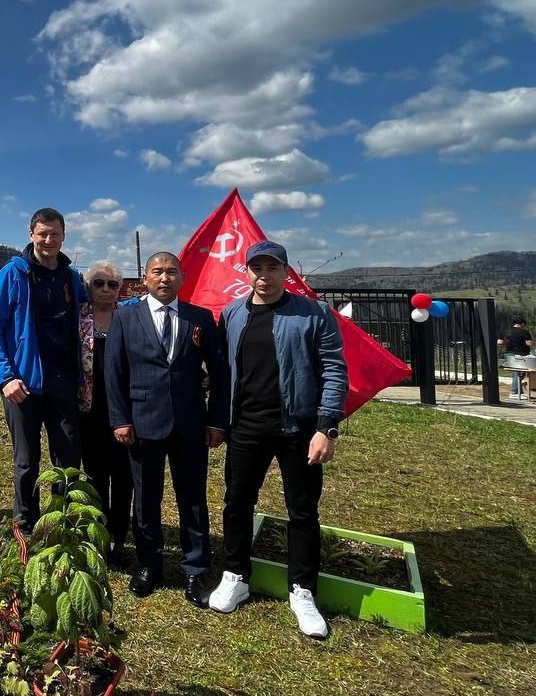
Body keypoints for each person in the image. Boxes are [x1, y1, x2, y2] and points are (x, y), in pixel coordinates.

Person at [207, 240, 348, 640]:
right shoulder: (232, 314)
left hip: (299, 429)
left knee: (302, 512)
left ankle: (302, 590)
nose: (264, 276)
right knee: (237, 503)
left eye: (272, 268)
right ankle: (236, 574)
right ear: (246, 273)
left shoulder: (313, 313)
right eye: (256, 268)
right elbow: (223, 374)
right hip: (246, 427)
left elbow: (334, 372)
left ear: (287, 273)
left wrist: (326, 427)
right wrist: (219, 419)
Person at [105, 251, 227, 608]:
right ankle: (150, 565)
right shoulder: (125, 317)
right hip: (143, 424)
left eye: (171, 272)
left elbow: (220, 374)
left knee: (192, 499)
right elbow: (114, 373)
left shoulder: (200, 319)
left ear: (181, 278)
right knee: (146, 499)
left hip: (191, 425)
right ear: (145, 278)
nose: (164, 277)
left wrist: (218, 420)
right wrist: (120, 419)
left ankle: (195, 568)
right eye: (157, 271)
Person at [0, 208, 89, 532]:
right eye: (42, 233)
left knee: (68, 460)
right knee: (26, 462)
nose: (48, 239)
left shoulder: (71, 277)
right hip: (23, 384)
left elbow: (89, 315)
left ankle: (61, 525)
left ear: (63, 236)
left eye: (54, 234)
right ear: (31, 235)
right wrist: (6, 376)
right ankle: (25, 528)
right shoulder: (14, 273)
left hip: (64, 381)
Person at [78, 260, 133, 567]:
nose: (105, 289)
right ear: (89, 287)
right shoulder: (78, 318)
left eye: (112, 284)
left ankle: (119, 539)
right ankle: (96, 538)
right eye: (99, 283)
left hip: (124, 411)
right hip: (87, 410)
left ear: (119, 289)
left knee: (124, 478)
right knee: (95, 475)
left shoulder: (129, 318)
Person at [502, 315, 533, 399]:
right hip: (520, 355)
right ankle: (514, 392)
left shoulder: (507, 331)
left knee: (515, 372)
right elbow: (528, 343)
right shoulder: (524, 332)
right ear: (522, 324)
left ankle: (519, 391)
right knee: (519, 373)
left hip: (509, 355)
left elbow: (500, 342)